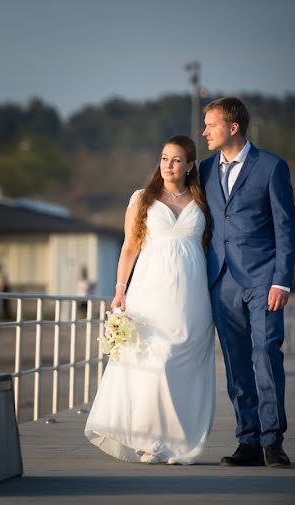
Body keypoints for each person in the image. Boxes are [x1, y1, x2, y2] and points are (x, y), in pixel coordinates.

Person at [84, 135, 216, 465]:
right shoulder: (143, 198)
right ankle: (150, 442)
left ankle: (180, 444)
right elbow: (130, 246)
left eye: (176, 160)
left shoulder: (203, 200)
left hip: (192, 294)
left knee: (184, 363)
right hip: (149, 291)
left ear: (189, 166)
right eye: (164, 158)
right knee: (153, 362)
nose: (168, 165)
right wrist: (119, 289)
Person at [200, 97, 295, 468]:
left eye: (211, 124)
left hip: (263, 279)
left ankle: (274, 441)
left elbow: (286, 227)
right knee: (237, 363)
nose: (205, 131)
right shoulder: (206, 170)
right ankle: (249, 440)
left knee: (266, 353)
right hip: (221, 280)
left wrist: (282, 281)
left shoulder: (272, 167)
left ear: (233, 127)